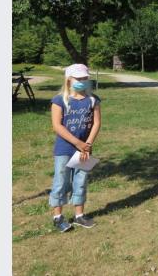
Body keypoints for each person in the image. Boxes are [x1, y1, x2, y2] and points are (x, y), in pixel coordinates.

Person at [49, 64, 102, 232]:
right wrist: (77, 143)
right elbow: (57, 126)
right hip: (64, 149)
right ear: (68, 80)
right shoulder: (59, 100)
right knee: (61, 181)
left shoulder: (93, 100)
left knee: (81, 181)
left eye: (84, 78)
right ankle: (58, 217)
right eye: (78, 78)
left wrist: (87, 145)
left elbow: (96, 123)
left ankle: (79, 215)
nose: (81, 81)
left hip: (85, 150)